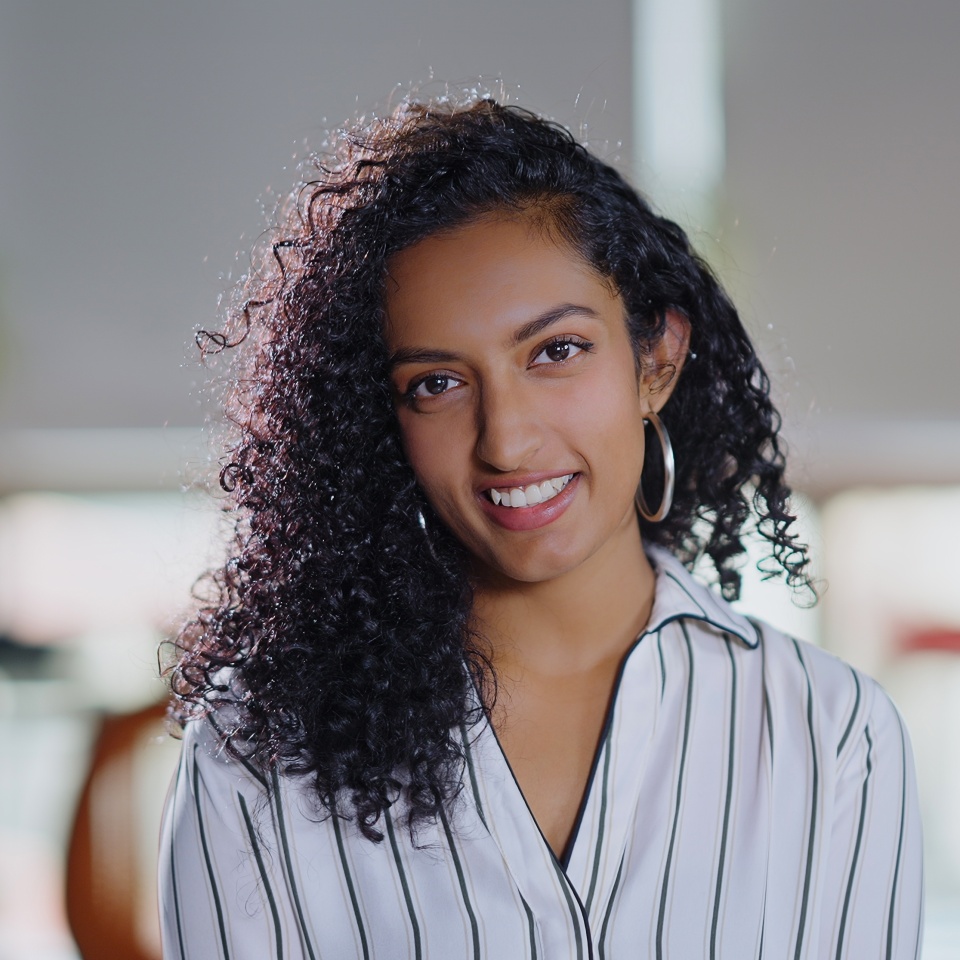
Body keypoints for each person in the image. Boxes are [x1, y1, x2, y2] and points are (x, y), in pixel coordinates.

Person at [159, 96, 923, 959]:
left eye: (556, 352)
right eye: (437, 383)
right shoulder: (255, 753)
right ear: (386, 422)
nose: (507, 439)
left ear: (656, 360)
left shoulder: (830, 732)